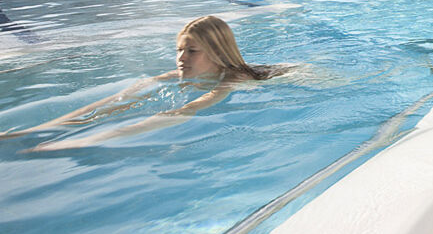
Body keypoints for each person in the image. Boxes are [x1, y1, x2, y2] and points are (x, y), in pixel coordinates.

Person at [4, 16, 282, 150]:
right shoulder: (175, 77)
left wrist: (88, 141)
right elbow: (112, 104)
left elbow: (184, 112)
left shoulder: (233, 79)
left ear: (219, 55)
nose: (181, 59)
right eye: (179, 50)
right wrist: (38, 130)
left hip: (282, 74)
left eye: (192, 52)